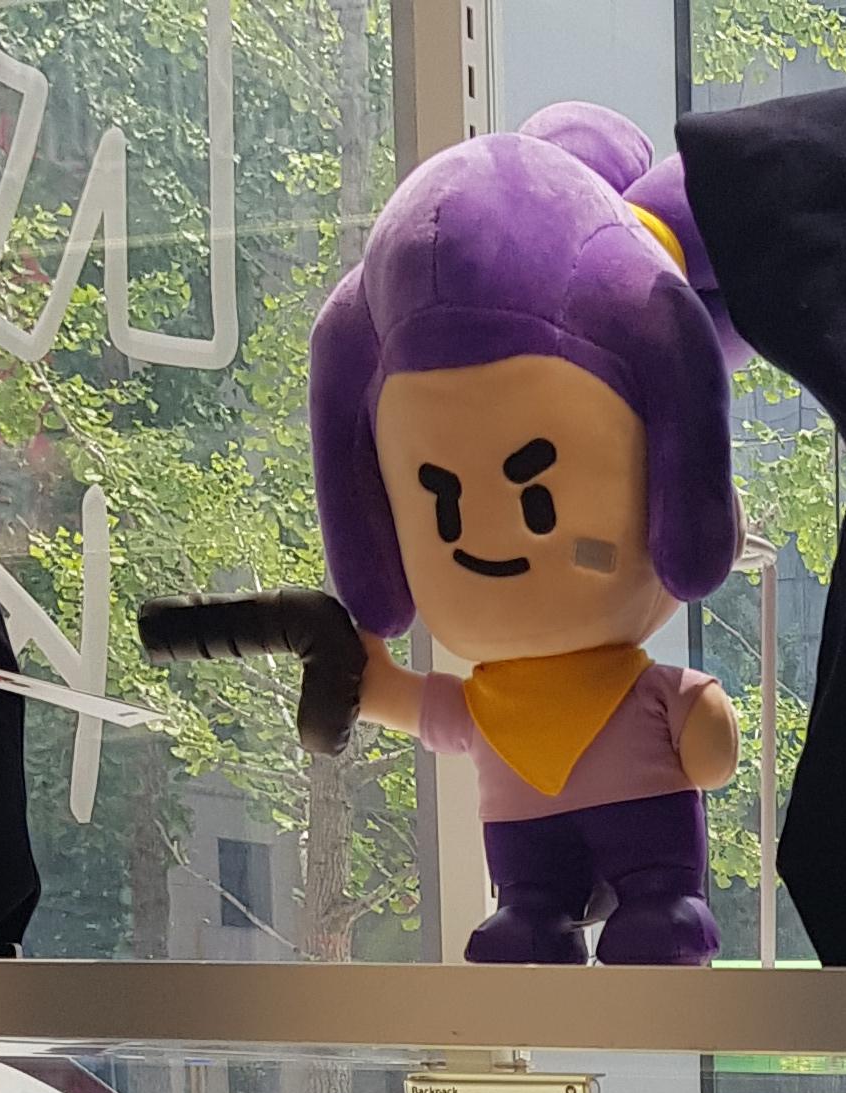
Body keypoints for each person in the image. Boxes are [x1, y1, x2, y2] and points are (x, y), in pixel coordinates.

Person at [308, 103, 744, 963]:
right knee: (528, 906)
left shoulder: (627, 690)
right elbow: (426, 708)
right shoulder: (488, 703)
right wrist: (368, 679)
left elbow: (702, 733)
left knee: (658, 906)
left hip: (646, 837)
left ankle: (659, 902)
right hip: (524, 843)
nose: (487, 532)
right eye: (439, 503)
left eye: (536, 493)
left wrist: (699, 713)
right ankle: (534, 911)